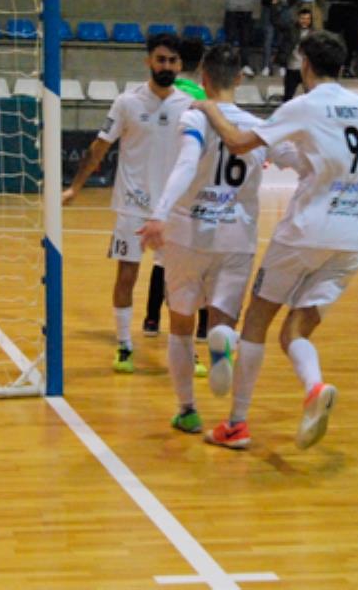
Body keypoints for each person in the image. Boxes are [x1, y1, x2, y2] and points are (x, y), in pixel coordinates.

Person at [192, 31, 358, 450]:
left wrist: (211, 109)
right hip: (356, 236)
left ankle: (237, 423)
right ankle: (314, 387)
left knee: (256, 322)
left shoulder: (304, 105)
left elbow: (236, 142)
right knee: (296, 330)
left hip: (308, 230)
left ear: (304, 63)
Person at [137, 45, 292, 434]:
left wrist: (158, 214)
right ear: (239, 79)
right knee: (224, 318)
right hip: (237, 236)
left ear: (202, 78)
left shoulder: (195, 116)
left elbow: (188, 164)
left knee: (182, 323)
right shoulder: (259, 126)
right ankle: (224, 348)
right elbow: (296, 159)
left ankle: (187, 408)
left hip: (189, 231)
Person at [62, 33, 192, 373]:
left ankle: (184, 350)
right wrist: (76, 187)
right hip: (133, 205)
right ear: (148, 60)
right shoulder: (126, 102)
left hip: (174, 208)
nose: (166, 66)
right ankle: (124, 345)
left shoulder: (190, 105)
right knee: (126, 276)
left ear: (180, 65)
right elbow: (98, 148)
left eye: (172, 61)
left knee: (181, 282)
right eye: (160, 59)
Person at [141, 38, 213, 365]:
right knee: (205, 261)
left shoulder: (166, 91)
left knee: (162, 262)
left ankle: (152, 318)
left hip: (164, 182)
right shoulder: (200, 99)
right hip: (194, 184)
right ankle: (203, 328)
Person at [223, 0, 258, 77]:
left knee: (245, 40)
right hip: (232, 9)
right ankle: (228, 64)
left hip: (246, 9)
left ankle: (245, 65)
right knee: (230, 39)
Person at [283, 7, 313, 100]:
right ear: (298, 19)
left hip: (308, 70)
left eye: (308, 19)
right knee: (288, 96)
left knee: (310, 96)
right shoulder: (291, 30)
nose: (305, 21)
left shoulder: (315, 33)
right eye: (303, 18)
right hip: (292, 67)